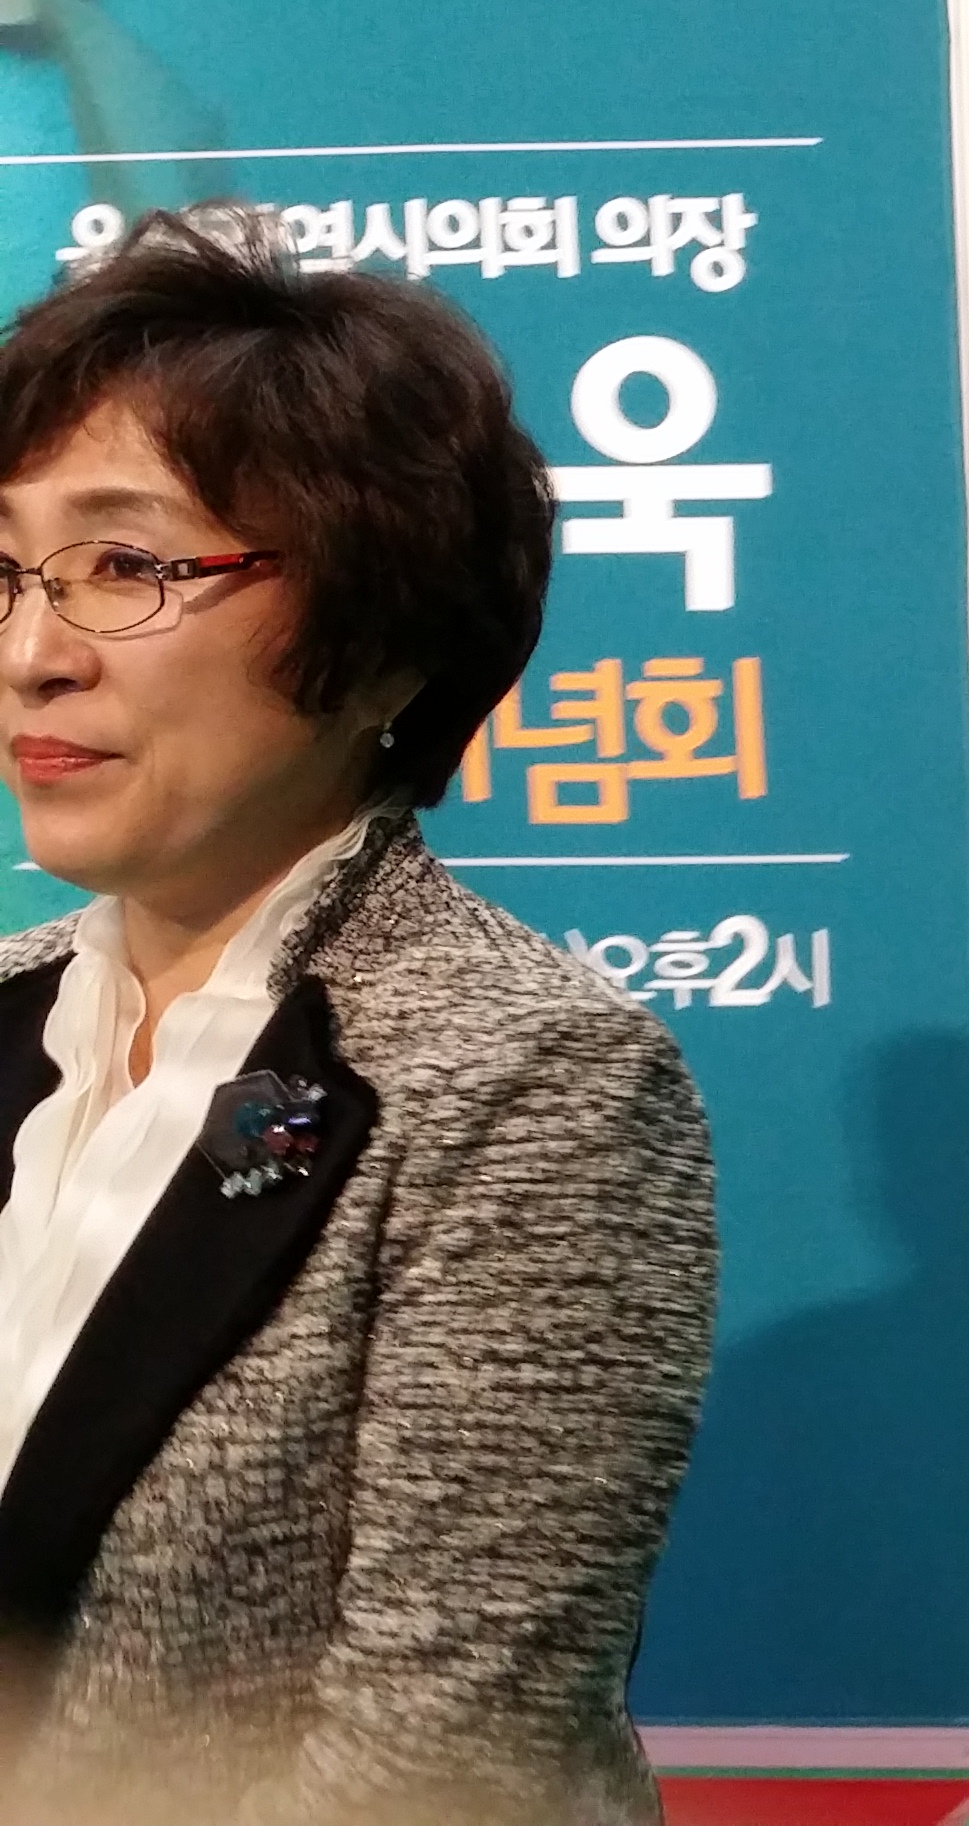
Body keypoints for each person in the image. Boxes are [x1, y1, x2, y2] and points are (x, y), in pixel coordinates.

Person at [0, 212, 714, 1823]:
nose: (35, 653)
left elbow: (450, 1761)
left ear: (384, 639)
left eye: (128, 566)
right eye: (8, 570)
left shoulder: (530, 1079)